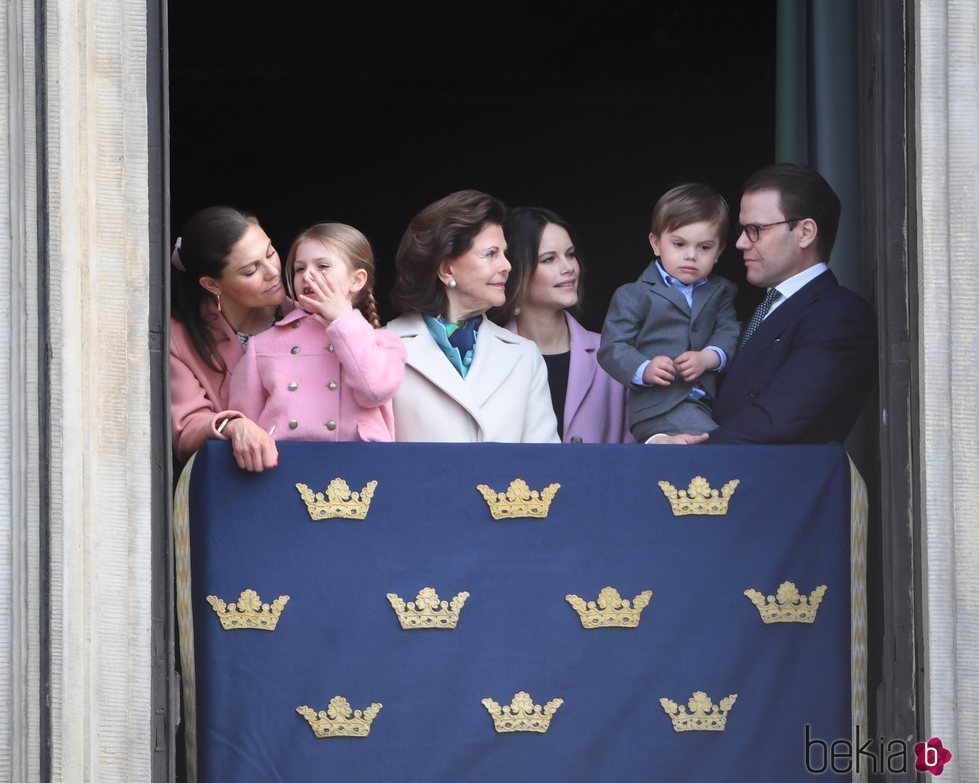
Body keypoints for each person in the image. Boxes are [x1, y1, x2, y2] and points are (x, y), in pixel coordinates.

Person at [649, 162, 878, 445]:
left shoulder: (839, 315)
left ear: (805, 232)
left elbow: (779, 420)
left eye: (756, 229)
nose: (740, 243)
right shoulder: (754, 310)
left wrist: (692, 449)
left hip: (777, 485)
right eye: (743, 229)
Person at [386, 189, 560, 442]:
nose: (507, 266)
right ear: (447, 270)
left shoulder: (525, 356)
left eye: (504, 253)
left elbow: (544, 461)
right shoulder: (383, 348)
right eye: (490, 254)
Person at [227, 222, 406, 442]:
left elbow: (374, 391)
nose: (308, 275)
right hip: (286, 469)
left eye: (322, 266)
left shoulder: (384, 342)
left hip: (361, 470)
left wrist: (343, 320)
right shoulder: (262, 345)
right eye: (300, 268)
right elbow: (246, 430)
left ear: (357, 280)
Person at [598, 183, 741, 443]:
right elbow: (612, 347)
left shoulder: (721, 292)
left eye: (704, 247)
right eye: (679, 244)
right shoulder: (634, 294)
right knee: (719, 446)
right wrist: (644, 368)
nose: (691, 256)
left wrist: (707, 358)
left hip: (706, 406)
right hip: (658, 408)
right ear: (656, 243)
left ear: (719, 251)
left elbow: (729, 332)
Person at [491, 206, 632, 443]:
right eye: (549, 259)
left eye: (570, 254)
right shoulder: (488, 356)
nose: (569, 268)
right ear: (515, 270)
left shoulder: (614, 353)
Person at [170, 205, 292, 473]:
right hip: (232, 483)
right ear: (212, 284)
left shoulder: (305, 317)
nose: (272, 271)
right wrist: (233, 425)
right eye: (251, 270)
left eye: (270, 252)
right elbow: (187, 427)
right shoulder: (179, 338)